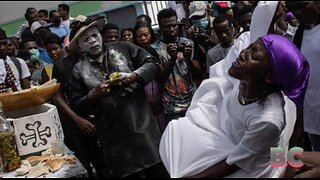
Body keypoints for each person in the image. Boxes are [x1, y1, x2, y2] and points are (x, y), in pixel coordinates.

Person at [159, 34, 309, 178]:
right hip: (233, 146)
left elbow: (235, 163)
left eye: (254, 56)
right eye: (249, 47)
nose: (244, 53)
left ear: (269, 77)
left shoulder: (268, 119)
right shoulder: (244, 79)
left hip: (250, 170)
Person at [68, 15, 168, 178]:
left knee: (158, 172)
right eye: (86, 39)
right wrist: (94, 94)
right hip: (115, 143)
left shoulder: (123, 48)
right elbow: (77, 106)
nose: (92, 41)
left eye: (94, 35)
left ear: (100, 34)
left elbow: (153, 64)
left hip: (145, 133)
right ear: (79, 46)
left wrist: (134, 76)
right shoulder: (79, 70)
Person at [151, 8, 202, 125]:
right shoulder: (154, 49)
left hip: (193, 101)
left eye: (174, 25)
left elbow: (199, 73)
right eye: (167, 26)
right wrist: (172, 59)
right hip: (171, 107)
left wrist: (188, 59)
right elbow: (158, 78)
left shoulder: (189, 44)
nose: (172, 29)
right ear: (160, 26)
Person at [287, 1, 320, 152]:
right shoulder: (299, 35)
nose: (297, 12)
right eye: (293, 9)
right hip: (312, 115)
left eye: (302, 5)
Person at [133, 22, 166, 132]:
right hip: (143, 101)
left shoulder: (156, 50)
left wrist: (160, 97)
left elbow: (163, 75)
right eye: (139, 36)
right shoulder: (132, 54)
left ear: (151, 34)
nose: (143, 38)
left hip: (160, 98)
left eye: (146, 35)